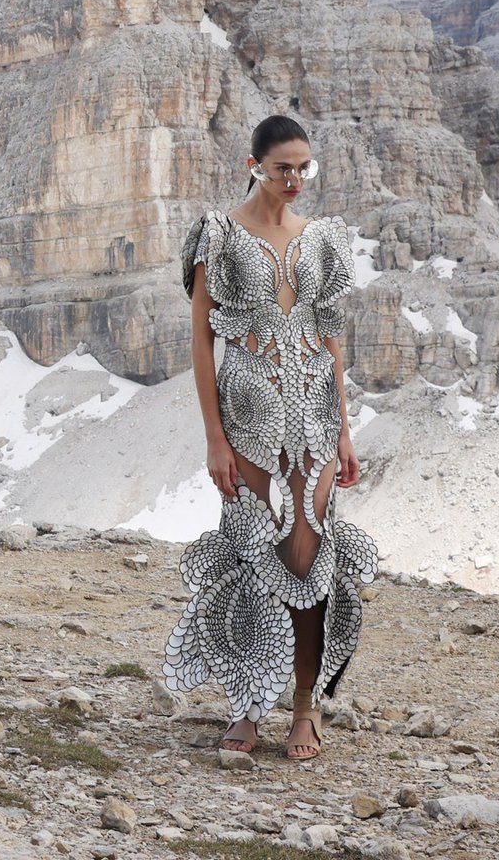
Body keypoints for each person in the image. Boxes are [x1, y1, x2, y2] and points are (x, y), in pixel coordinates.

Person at [162, 114, 378, 760]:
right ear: (253, 164)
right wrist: (214, 439)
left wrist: (343, 430)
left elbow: (330, 336)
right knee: (254, 555)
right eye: (282, 167)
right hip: (248, 413)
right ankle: (249, 705)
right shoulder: (220, 235)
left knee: (308, 563)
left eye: (303, 167)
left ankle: (306, 708)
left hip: (313, 414)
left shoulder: (322, 241)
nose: (294, 179)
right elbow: (202, 341)